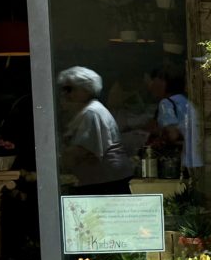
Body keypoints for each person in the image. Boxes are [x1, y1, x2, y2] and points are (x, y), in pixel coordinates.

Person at [57, 66, 134, 194]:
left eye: (69, 89)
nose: (65, 94)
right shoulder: (85, 112)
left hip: (107, 184)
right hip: (100, 181)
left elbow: (81, 151)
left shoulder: (92, 113)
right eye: (64, 90)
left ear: (85, 90)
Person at [145, 70, 203, 176]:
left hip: (185, 161)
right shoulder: (188, 101)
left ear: (165, 83)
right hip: (201, 159)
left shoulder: (166, 103)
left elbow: (173, 135)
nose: (151, 85)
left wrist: (159, 133)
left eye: (155, 79)